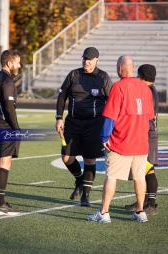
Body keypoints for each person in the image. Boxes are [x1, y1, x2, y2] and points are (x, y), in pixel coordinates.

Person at [88, 55, 155, 223]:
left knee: (111, 176)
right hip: (140, 142)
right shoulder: (146, 89)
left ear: (120, 69)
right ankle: (140, 211)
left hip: (121, 141)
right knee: (140, 177)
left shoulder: (118, 87)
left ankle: (104, 213)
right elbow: (149, 119)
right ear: (132, 68)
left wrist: (104, 137)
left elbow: (110, 117)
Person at [55, 47, 113, 206]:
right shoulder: (74, 74)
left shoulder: (103, 77)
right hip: (73, 122)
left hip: (94, 124)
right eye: (84, 58)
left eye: (89, 59)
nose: (86, 61)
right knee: (67, 158)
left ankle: (85, 196)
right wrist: (59, 118)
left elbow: (111, 100)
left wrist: (109, 123)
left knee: (89, 159)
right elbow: (62, 96)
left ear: (96, 60)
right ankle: (80, 180)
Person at [0, 50, 21, 215]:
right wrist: (16, 128)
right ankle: (0, 203)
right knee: (4, 163)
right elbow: (9, 107)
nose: (19, 66)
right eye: (17, 62)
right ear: (9, 63)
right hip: (5, 126)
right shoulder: (8, 81)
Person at [125, 64, 159, 215]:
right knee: (141, 170)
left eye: (138, 75)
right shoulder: (151, 89)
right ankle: (143, 201)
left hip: (147, 133)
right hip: (147, 132)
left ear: (142, 76)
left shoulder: (147, 91)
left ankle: (151, 205)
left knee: (148, 169)